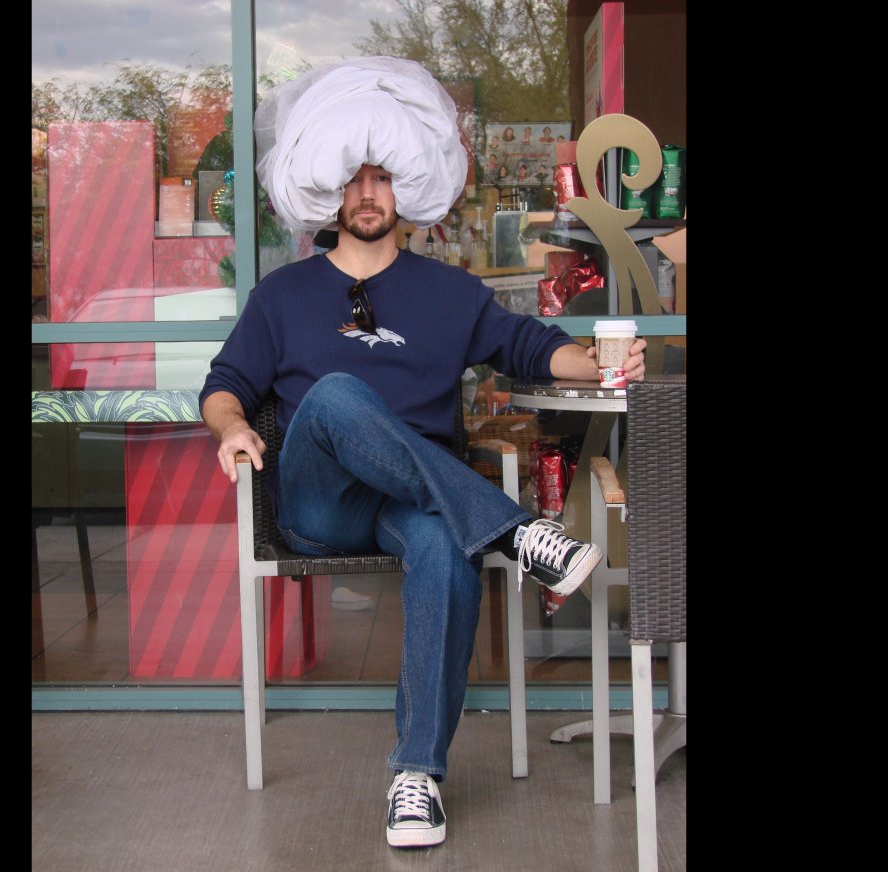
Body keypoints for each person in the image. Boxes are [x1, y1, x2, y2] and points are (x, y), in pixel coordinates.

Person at [199, 58, 645, 851]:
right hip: (321, 505)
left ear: (404, 189)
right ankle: (518, 532)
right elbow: (224, 384)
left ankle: (417, 776)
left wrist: (602, 363)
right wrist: (230, 426)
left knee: (444, 545)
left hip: (415, 503)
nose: (368, 194)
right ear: (332, 193)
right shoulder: (283, 295)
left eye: (382, 178)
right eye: (353, 180)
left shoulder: (449, 293)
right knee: (337, 395)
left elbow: (531, 347)